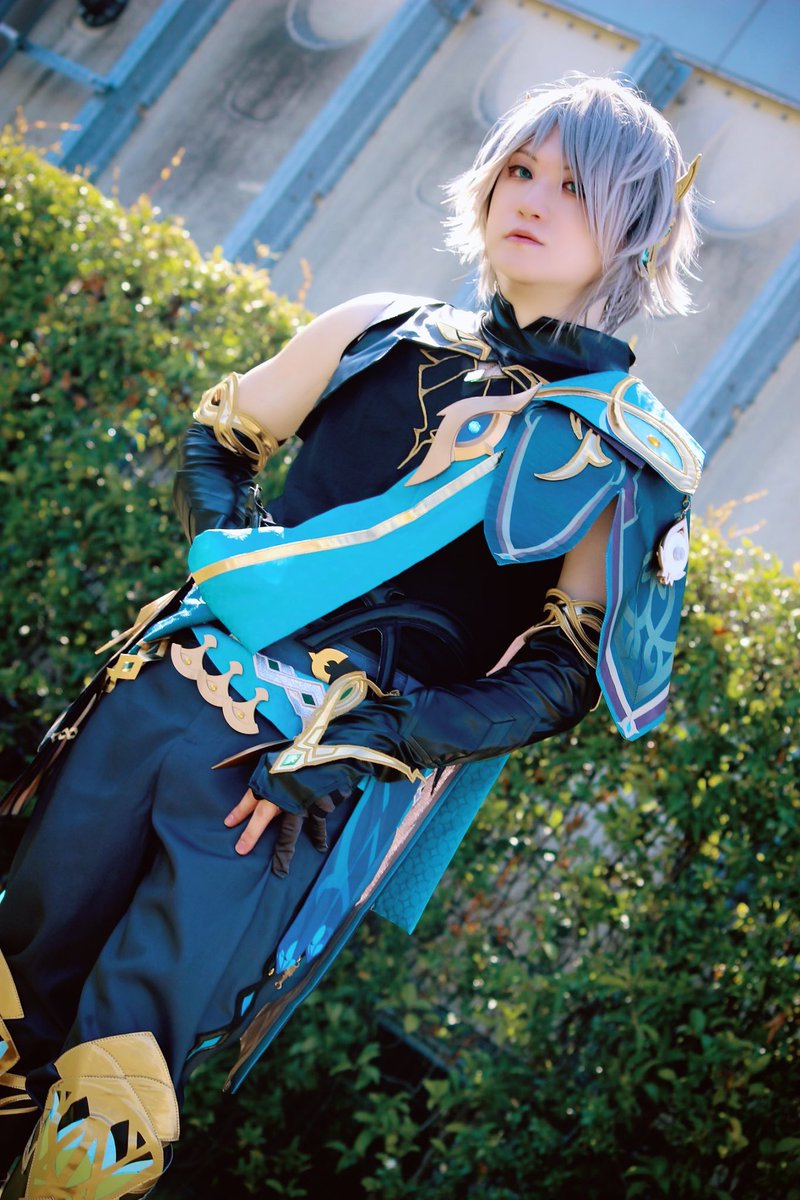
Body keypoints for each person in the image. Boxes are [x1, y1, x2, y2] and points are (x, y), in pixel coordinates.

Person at [0, 74, 704, 1198]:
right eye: (520, 169)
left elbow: (566, 675)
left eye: (575, 186)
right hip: (158, 693)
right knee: (12, 986)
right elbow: (220, 437)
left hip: (286, 784)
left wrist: (380, 735)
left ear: (636, 229)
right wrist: (242, 570)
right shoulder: (375, 330)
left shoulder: (621, 453)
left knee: (118, 1074)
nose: (531, 198)